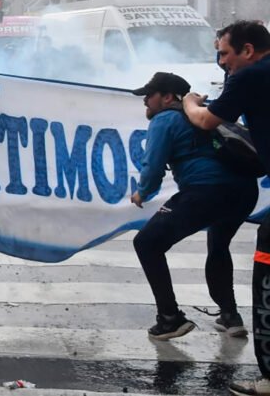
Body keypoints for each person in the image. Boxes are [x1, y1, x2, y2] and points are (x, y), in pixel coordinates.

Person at [180, 21, 270, 396]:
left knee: (266, 273)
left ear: (248, 50)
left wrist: (188, 101)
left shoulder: (249, 77)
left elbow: (206, 120)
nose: (222, 63)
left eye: (225, 53)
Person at [129, 72, 255, 340]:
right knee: (219, 244)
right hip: (244, 192)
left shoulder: (165, 119)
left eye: (148, 96)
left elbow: (153, 167)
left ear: (167, 97)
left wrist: (142, 193)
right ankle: (230, 315)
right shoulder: (204, 113)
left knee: (147, 243)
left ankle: (170, 318)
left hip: (206, 192)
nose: (145, 102)